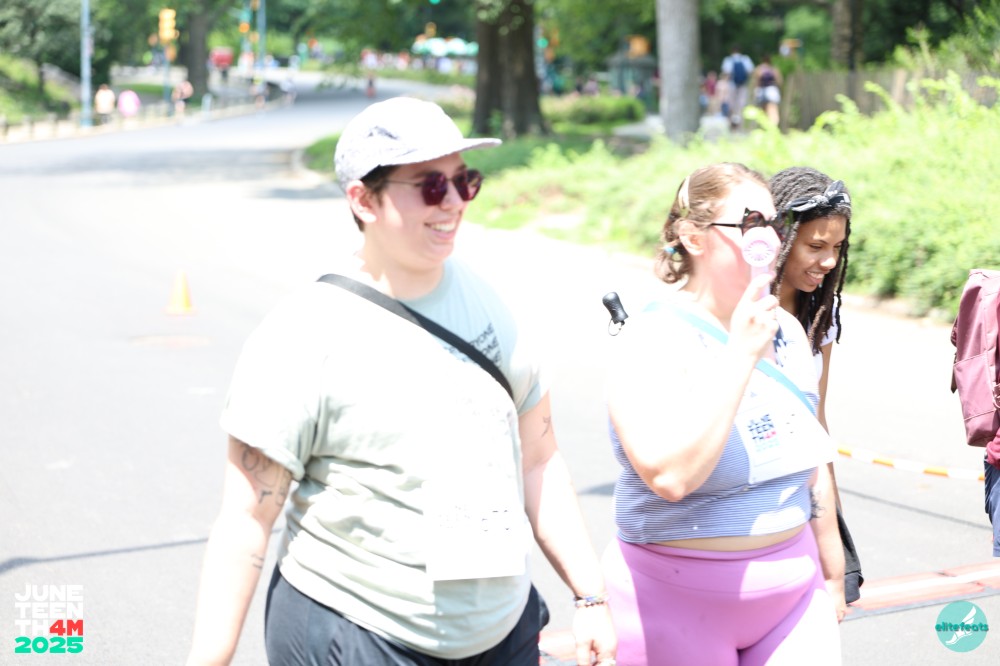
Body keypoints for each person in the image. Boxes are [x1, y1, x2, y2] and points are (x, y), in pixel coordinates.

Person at [187, 96, 616, 666]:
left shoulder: (494, 306)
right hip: (359, 630)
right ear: (362, 199)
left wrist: (590, 596)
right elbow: (246, 520)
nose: (454, 202)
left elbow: (538, 459)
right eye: (430, 186)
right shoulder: (302, 336)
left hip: (500, 631)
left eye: (464, 181)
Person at [602, 162, 845, 665]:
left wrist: (834, 568)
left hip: (794, 591)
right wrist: (740, 356)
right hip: (673, 596)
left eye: (774, 224)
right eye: (750, 223)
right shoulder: (651, 337)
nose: (769, 239)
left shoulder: (787, 330)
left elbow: (810, 452)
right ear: (693, 237)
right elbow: (670, 477)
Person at [770, 166, 863, 604]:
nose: (829, 262)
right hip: (747, 506)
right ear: (779, 239)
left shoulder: (821, 314)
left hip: (804, 498)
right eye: (815, 246)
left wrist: (834, 528)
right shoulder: (735, 308)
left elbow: (816, 422)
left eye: (837, 248)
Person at [721, 46, 754, 129]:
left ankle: (731, 123)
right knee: (741, 104)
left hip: (731, 84)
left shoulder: (728, 60)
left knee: (731, 104)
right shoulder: (745, 59)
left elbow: (726, 73)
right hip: (743, 84)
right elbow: (750, 71)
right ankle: (740, 124)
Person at [753, 55, 783, 126]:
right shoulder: (773, 69)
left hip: (761, 90)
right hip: (772, 90)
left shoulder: (759, 69)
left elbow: (756, 81)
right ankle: (773, 126)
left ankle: (764, 126)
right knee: (773, 109)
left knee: (763, 110)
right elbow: (779, 81)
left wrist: (755, 91)